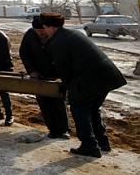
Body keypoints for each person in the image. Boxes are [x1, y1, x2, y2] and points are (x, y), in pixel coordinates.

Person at [40, 12, 127, 158]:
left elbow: (64, 71)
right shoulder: (72, 33)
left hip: (91, 79)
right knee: (92, 110)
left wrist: (68, 90)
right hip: (106, 76)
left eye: (44, 27)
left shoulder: (58, 42)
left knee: (79, 109)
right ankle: (103, 143)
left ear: (51, 27)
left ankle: (89, 146)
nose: (44, 30)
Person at [19, 16, 69, 139]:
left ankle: (63, 130)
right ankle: (52, 129)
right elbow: (24, 54)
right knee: (44, 103)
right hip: (39, 75)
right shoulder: (29, 36)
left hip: (56, 75)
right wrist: (32, 71)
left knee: (58, 103)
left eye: (43, 30)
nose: (41, 33)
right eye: (38, 31)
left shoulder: (55, 35)